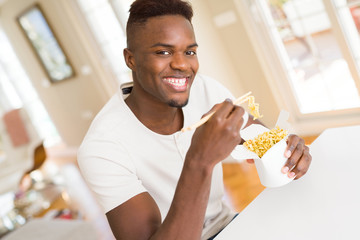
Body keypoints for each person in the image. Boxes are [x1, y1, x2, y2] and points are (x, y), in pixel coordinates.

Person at [77, 0, 312, 239]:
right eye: (163, 52)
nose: (182, 64)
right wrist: (200, 160)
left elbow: (257, 136)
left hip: (228, 224)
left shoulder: (205, 89)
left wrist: (287, 150)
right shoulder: (101, 148)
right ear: (131, 59)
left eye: (189, 51)